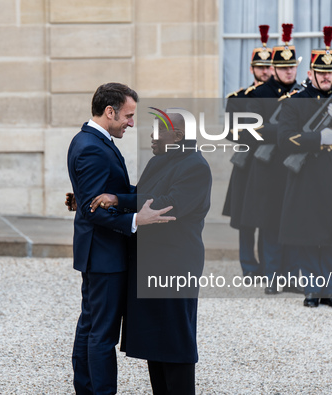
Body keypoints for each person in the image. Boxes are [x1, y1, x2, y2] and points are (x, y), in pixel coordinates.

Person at [91, 111, 211, 394]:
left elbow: (169, 204)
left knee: (175, 339)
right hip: (151, 262)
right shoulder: (161, 160)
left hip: (175, 265)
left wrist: (117, 200)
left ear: (178, 136)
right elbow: (143, 192)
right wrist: (105, 200)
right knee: (156, 339)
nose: (150, 136)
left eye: (158, 132)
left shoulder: (196, 165)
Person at [66, 82, 174, 394]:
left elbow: (98, 196)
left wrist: (114, 199)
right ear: (109, 111)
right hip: (104, 254)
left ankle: (86, 388)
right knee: (102, 334)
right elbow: (93, 210)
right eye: (127, 115)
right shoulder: (90, 147)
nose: (131, 122)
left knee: (90, 326)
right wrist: (137, 219)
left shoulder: (91, 140)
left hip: (99, 251)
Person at [277, 26, 332, 308]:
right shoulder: (295, 102)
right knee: (308, 235)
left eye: (330, 73)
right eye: (321, 72)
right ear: (311, 74)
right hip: (308, 174)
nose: (327, 77)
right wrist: (317, 138)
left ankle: (330, 291)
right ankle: (311, 291)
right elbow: (284, 140)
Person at [241, 23, 302, 294]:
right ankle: (272, 276)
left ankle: (291, 276)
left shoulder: (304, 94)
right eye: (283, 67)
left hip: (296, 168)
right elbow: (252, 130)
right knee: (269, 223)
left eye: (292, 68)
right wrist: (287, 130)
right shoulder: (259, 94)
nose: (289, 71)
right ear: (275, 68)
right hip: (267, 168)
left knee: (293, 223)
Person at [221, 25, 272, 281]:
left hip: (271, 162)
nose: (265, 71)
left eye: (268, 67)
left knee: (267, 215)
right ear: (252, 69)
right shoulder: (238, 98)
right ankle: (249, 267)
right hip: (247, 162)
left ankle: (267, 266)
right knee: (245, 219)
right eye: (260, 67)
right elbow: (231, 131)